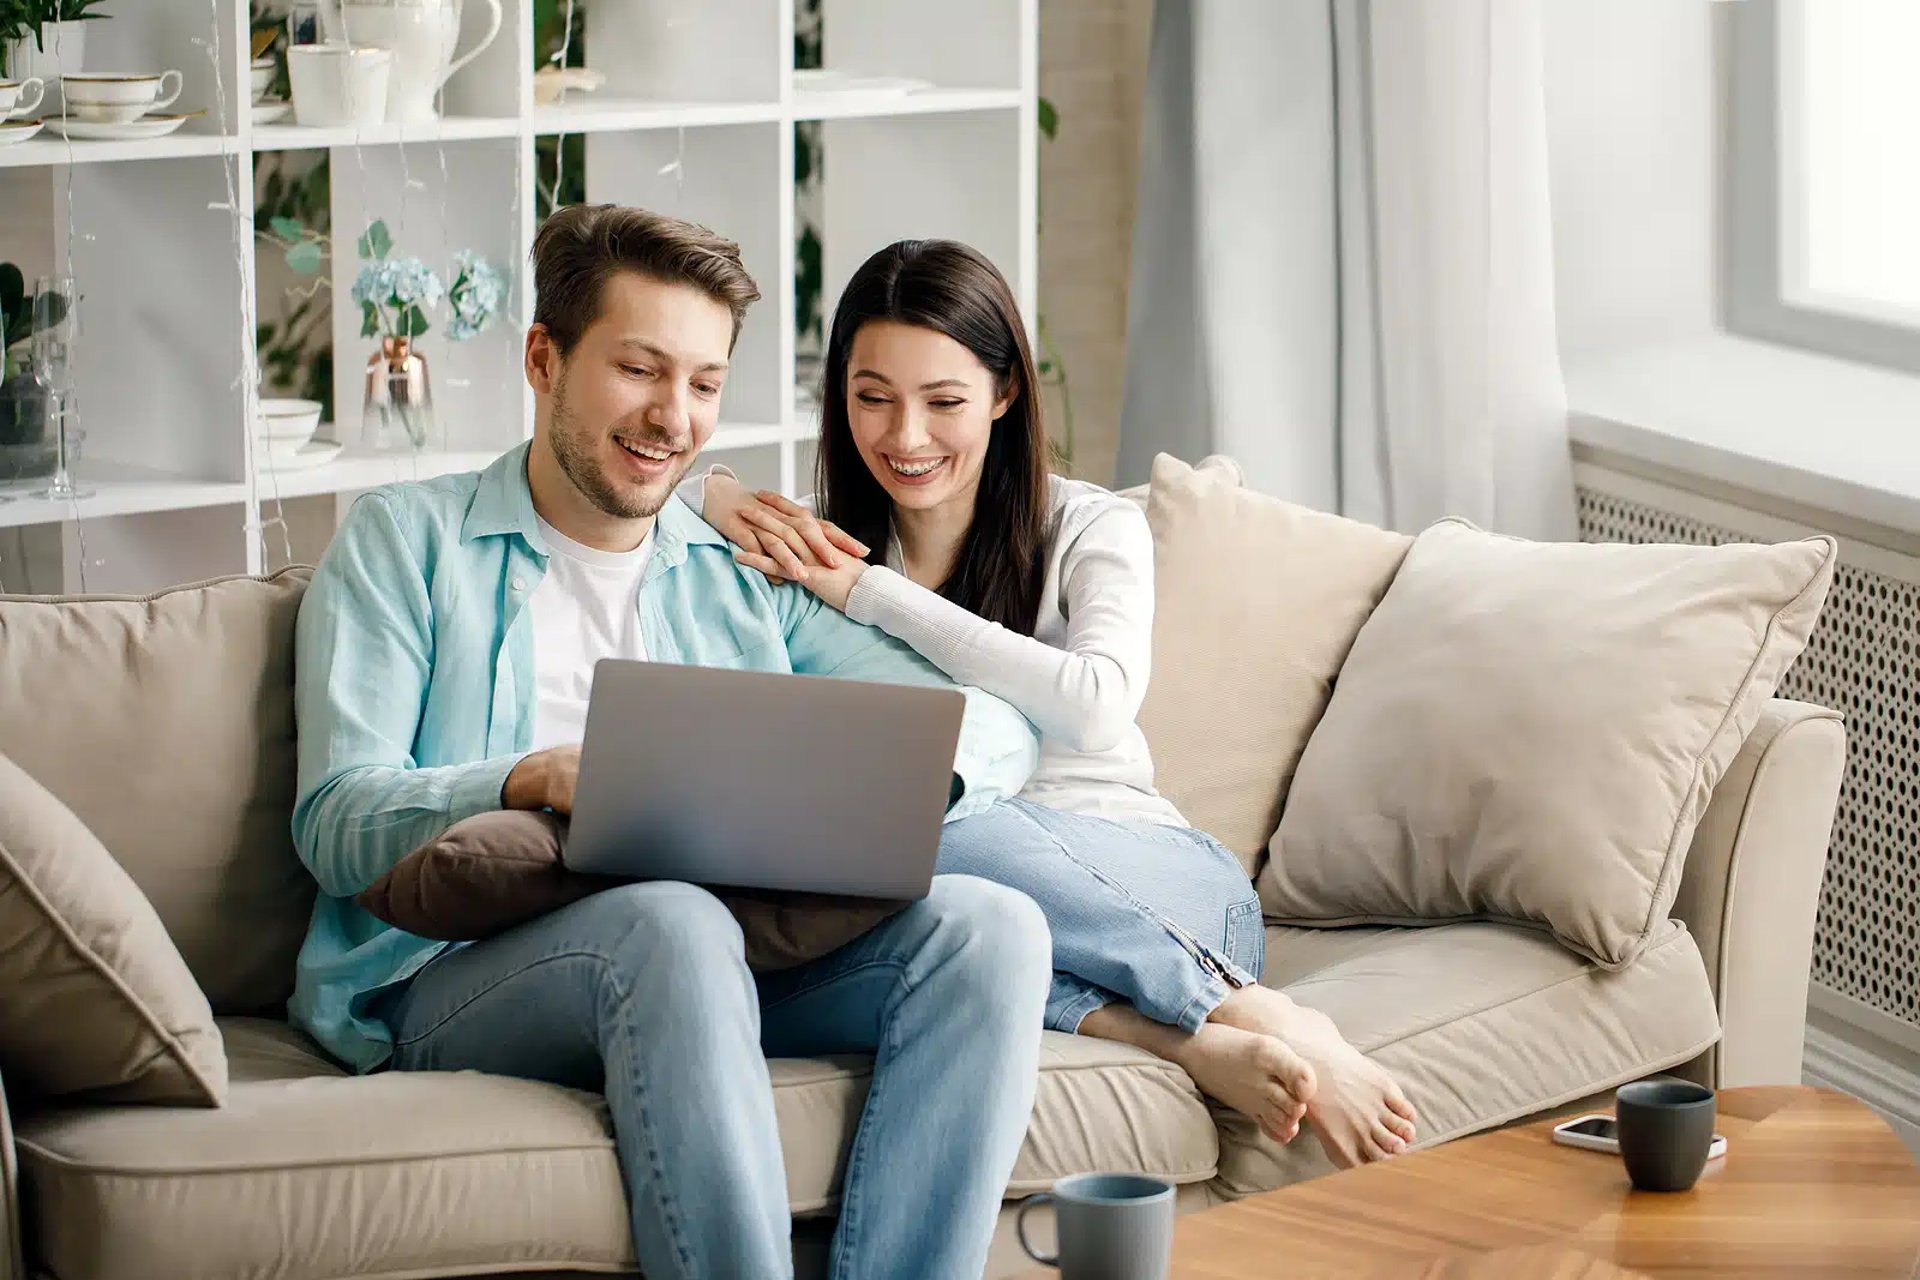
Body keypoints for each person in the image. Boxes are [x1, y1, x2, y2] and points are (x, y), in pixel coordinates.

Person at [288, 205, 1056, 1280]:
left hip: (722, 949)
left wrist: (872, 780)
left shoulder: (738, 566)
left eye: (703, 383)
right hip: (450, 973)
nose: (672, 416)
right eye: (639, 369)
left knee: (993, 929)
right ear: (544, 359)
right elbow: (335, 821)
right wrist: (526, 775)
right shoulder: (405, 541)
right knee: (671, 919)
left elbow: (999, 728)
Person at [685, 239, 1418, 1169]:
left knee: (919, 825)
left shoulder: (1085, 526)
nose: (905, 437)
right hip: (977, 911)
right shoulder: (811, 545)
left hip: (1164, 900)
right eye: (873, 398)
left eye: (943, 401)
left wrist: (868, 593)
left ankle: (1252, 1010)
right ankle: (1189, 1043)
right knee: (918, 887)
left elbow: (1096, 705)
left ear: (1004, 394)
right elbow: (654, 502)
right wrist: (706, 493)